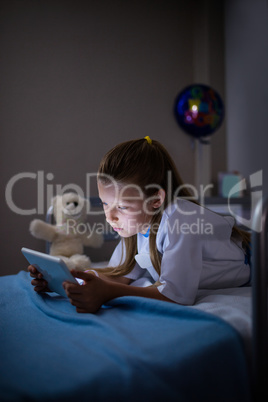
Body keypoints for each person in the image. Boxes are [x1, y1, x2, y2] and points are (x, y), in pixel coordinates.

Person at [28, 137, 251, 313]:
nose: (110, 216)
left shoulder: (181, 219)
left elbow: (177, 295)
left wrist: (109, 293)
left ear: (155, 201)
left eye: (122, 207)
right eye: (106, 204)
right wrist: (63, 280)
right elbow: (119, 275)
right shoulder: (136, 225)